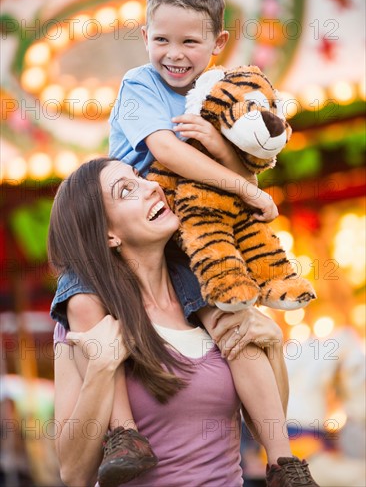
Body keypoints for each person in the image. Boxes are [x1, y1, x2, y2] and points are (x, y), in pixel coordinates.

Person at [50, 0, 318, 486]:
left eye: (189, 42)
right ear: (145, 37)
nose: (173, 53)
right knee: (83, 300)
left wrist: (273, 345)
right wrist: (245, 189)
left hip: (194, 240)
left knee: (238, 329)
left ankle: (284, 460)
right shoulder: (140, 86)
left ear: (217, 44)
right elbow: (168, 151)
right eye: (161, 40)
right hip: (169, 235)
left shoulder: (213, 94)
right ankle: (123, 434)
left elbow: (251, 159)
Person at [49, 158, 319, 487]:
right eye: (126, 190)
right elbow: (74, 475)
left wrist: (273, 346)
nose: (152, 187)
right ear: (108, 236)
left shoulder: (211, 299)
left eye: (139, 176)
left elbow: (264, 429)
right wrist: (101, 368)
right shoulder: (88, 325)